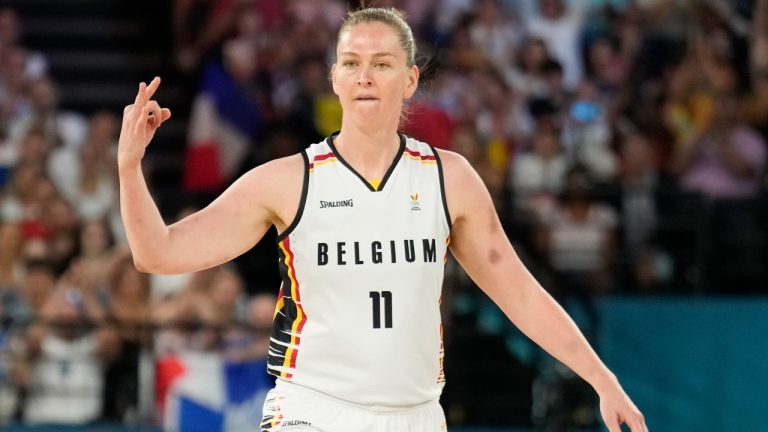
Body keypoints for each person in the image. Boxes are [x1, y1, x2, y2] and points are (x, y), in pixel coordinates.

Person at [117, 7, 647, 432]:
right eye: (351, 62)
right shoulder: (286, 179)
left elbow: (523, 296)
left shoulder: (450, 178)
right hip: (312, 409)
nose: (365, 76)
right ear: (335, 78)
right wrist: (129, 168)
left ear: (411, 78)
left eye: (382, 63)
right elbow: (157, 254)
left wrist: (603, 380)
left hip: (415, 415)